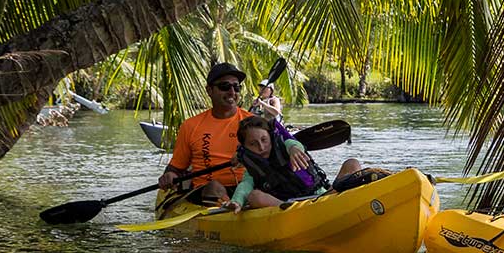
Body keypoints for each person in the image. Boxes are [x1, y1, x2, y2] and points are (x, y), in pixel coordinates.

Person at [156, 61, 314, 213]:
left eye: (236, 87)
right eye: (225, 86)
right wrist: (170, 176)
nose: (232, 92)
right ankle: (229, 207)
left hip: (250, 185)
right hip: (208, 192)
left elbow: (280, 145)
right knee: (214, 186)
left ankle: (288, 208)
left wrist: (293, 148)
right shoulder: (190, 126)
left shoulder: (252, 123)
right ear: (209, 91)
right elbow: (175, 169)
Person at [228, 116, 365, 210]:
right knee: (254, 196)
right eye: (253, 144)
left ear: (271, 137)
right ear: (245, 147)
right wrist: (236, 201)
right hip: (287, 206)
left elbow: (293, 144)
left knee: (352, 163)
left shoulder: (288, 147)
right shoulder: (253, 170)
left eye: (264, 140)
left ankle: (356, 201)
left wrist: (294, 150)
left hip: (321, 197)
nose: (261, 147)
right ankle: (290, 211)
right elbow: (245, 186)